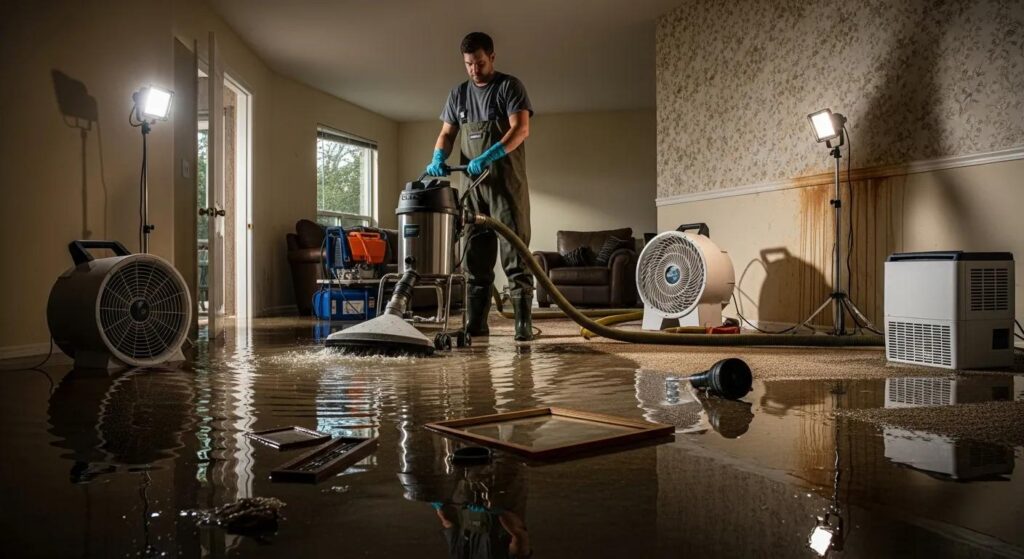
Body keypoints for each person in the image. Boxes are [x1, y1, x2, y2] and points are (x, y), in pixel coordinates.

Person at [425, 31, 534, 342]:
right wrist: (437, 155)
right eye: (469, 64)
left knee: (515, 255)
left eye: (480, 63)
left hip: (505, 186)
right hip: (473, 189)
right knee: (475, 257)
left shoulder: (509, 87)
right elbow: (447, 134)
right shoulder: (458, 94)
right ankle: (476, 324)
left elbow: (521, 129)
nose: (474, 69)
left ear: (493, 58)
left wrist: (491, 154)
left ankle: (522, 326)